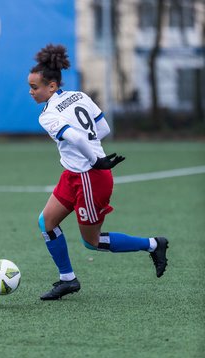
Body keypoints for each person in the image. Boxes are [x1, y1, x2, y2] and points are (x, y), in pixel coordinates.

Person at [28, 44, 169, 301]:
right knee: (46, 222)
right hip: (74, 174)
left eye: (35, 87)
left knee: (91, 242)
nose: (31, 92)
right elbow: (102, 128)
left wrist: (94, 160)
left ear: (51, 86)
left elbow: (74, 137)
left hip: (91, 177)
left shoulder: (47, 115)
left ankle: (153, 244)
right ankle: (67, 280)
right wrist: (90, 153)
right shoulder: (79, 96)